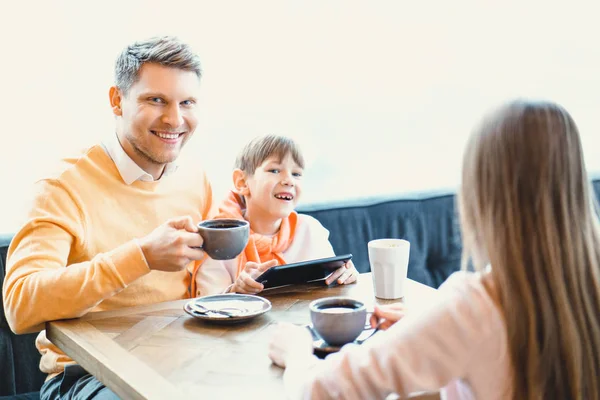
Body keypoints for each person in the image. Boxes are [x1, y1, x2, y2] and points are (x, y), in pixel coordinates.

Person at [267, 100, 600, 400]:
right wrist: (426, 327)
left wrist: (297, 352)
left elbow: (321, 391)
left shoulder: (475, 307)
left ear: (482, 194)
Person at [2, 36, 214, 400]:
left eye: (187, 102)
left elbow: (216, 281)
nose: (175, 119)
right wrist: (141, 257)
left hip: (185, 363)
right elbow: (20, 306)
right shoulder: (61, 187)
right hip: (85, 375)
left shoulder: (196, 181)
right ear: (117, 101)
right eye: (156, 100)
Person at [192, 134, 358, 297]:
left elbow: (335, 278)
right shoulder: (219, 238)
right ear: (242, 182)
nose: (289, 181)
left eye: (296, 174)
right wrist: (235, 291)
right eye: (275, 170)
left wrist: (347, 274)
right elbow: (206, 302)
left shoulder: (309, 230)